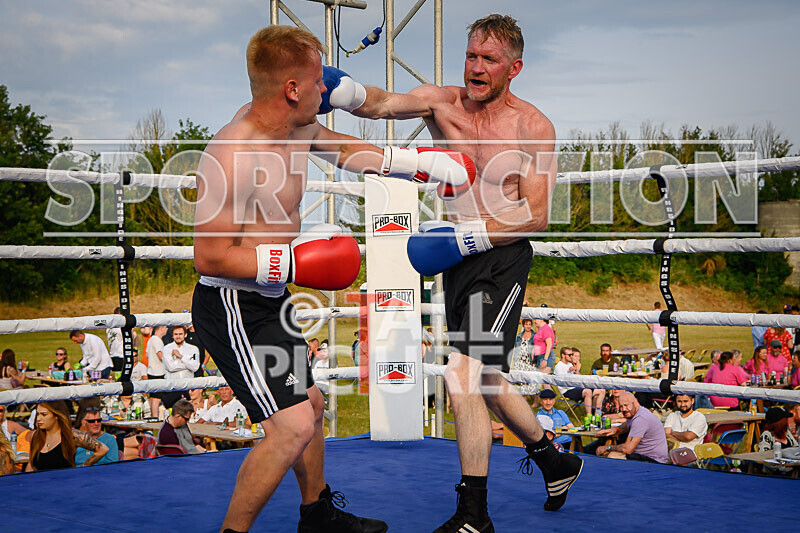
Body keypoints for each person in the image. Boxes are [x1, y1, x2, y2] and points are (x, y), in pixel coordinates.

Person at [187, 23, 473, 532]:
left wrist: (415, 165)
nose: (328, 89)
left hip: (269, 297)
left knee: (312, 405)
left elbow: (342, 148)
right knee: (291, 427)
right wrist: (297, 264)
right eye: (318, 81)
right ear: (291, 88)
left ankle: (316, 513)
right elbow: (209, 257)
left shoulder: (298, 128)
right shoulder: (231, 154)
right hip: (230, 303)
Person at [349, 14, 582, 527]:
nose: (476, 67)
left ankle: (473, 513)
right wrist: (332, 88)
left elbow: (537, 214)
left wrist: (471, 234)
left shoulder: (532, 127)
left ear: (513, 68)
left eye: (489, 59)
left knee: (462, 373)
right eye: (471, 56)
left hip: (500, 257)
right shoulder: (443, 102)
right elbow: (381, 103)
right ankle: (555, 459)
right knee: (489, 376)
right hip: (456, 259)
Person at [26, 402, 107, 472]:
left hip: (65, 483)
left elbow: (102, 449)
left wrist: (82, 468)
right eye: (37, 414)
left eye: (44, 414)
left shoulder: (71, 435)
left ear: (56, 415)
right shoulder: (36, 436)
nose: (38, 419)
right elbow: (31, 464)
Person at [595, 392, 669, 464]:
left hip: (654, 461)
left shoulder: (640, 419)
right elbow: (627, 425)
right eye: (621, 406)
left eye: (626, 405)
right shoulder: (637, 413)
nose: (623, 409)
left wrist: (607, 448)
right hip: (644, 456)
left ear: (635, 402)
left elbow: (627, 449)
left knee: (612, 456)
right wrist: (616, 429)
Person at [553, 347, 603, 416]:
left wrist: (577, 370)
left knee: (601, 390)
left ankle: (597, 415)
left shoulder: (569, 364)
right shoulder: (559, 366)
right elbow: (564, 383)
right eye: (569, 355)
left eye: (572, 354)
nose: (571, 356)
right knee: (587, 391)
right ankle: (589, 417)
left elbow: (579, 378)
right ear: (563, 355)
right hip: (568, 390)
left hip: (577, 387)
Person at [161, 325, 199, 408]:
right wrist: (188, 364)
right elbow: (170, 367)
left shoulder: (193, 349)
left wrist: (180, 356)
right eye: (176, 334)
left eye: (180, 334)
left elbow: (195, 367)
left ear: (185, 335)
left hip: (188, 387)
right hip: (172, 387)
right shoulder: (167, 348)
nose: (178, 336)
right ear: (172, 335)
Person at [758, 407, 799, 474]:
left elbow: (796, 449)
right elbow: (764, 458)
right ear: (780, 422)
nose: (787, 421)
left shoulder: (787, 433)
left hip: (792, 469)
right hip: (774, 474)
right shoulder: (767, 435)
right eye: (785, 419)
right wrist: (783, 468)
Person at [511, 319, 540, 396]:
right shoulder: (519, 336)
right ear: (523, 325)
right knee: (523, 381)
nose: (528, 326)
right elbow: (516, 348)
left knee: (532, 380)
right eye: (526, 324)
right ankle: (525, 397)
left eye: (530, 324)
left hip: (530, 361)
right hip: (520, 361)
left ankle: (535, 400)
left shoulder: (535, 336)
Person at [107, 306, 138, 372]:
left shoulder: (109, 328)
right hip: (121, 355)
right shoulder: (119, 328)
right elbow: (131, 337)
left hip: (113, 354)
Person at [146, 324, 168, 415]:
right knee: (157, 398)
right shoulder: (157, 340)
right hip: (158, 372)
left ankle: (152, 415)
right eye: (166, 327)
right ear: (161, 328)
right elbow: (160, 356)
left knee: (152, 396)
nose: (167, 329)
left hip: (151, 371)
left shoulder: (151, 339)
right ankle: (155, 417)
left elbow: (147, 354)